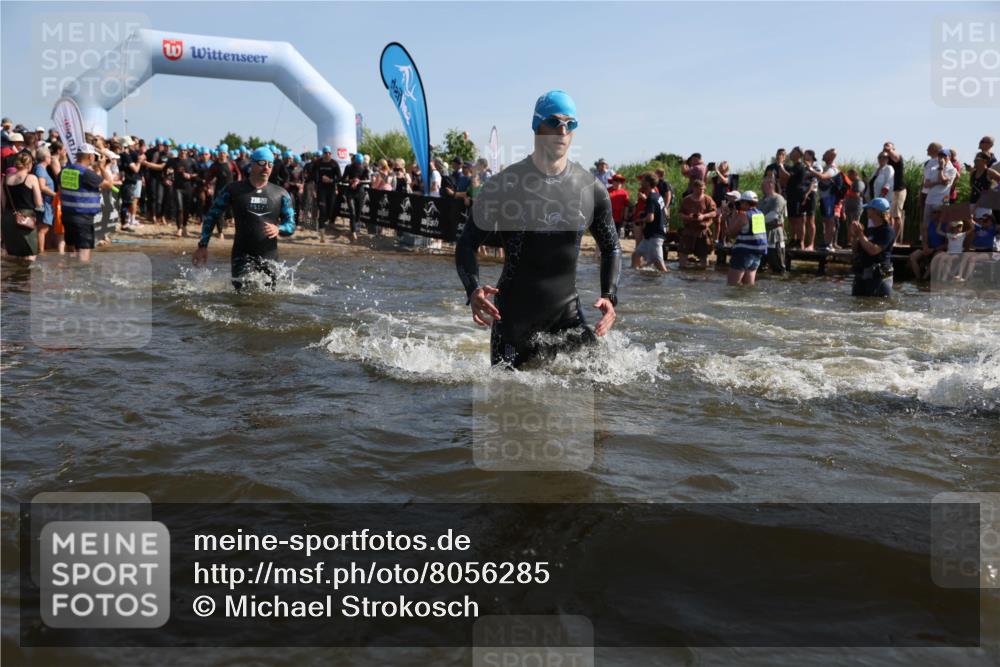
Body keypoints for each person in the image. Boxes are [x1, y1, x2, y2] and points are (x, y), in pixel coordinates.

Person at [456, 89, 621, 368]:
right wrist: (472, 289)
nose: (563, 131)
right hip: (513, 320)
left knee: (602, 383)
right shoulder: (504, 185)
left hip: (567, 315)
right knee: (507, 393)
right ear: (536, 125)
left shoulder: (590, 189)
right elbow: (467, 243)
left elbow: (612, 247)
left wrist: (609, 295)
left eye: (570, 124)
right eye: (554, 122)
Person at [192, 147, 295, 291]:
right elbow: (212, 215)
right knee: (241, 296)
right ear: (252, 164)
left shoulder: (281, 194)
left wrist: (279, 228)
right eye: (262, 163)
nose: (266, 167)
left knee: (269, 298)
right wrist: (203, 245)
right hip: (241, 255)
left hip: (269, 256)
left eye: (270, 164)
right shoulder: (233, 190)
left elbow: (291, 225)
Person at [58, 143, 116, 261]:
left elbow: (60, 188)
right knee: (84, 251)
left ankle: (69, 271)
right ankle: (82, 272)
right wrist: (102, 167)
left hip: (67, 215)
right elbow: (109, 185)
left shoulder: (64, 171)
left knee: (71, 248)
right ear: (90, 156)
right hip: (83, 218)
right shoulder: (86, 173)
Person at [849, 197, 896, 297]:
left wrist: (861, 234)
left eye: (869, 208)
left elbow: (873, 250)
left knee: (877, 304)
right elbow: (855, 250)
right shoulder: (869, 230)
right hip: (864, 275)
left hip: (879, 278)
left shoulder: (888, 231)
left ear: (876, 211)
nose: (867, 211)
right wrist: (855, 236)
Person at [1, 152, 43, 259]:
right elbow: (39, 203)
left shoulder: (4, 178)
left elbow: (3, 202)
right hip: (26, 219)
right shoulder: (32, 178)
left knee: (13, 255)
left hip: (8, 217)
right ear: (29, 165)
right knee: (30, 254)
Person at [726, 191, 767, 286]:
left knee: (732, 286)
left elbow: (730, 233)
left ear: (745, 203)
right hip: (756, 254)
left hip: (743, 254)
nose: (739, 204)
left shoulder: (743, 215)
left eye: (740, 202)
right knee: (748, 286)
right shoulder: (760, 214)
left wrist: (727, 217)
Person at [632, 172, 669, 273]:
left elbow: (650, 218)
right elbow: (659, 212)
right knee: (636, 254)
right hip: (651, 235)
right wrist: (644, 213)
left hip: (655, 235)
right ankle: (635, 275)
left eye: (643, 180)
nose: (641, 182)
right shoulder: (657, 195)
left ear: (647, 183)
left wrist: (640, 220)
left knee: (659, 263)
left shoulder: (651, 198)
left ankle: (666, 278)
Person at [677, 179, 716, 268]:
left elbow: (714, 213)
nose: (701, 191)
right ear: (694, 188)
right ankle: (682, 270)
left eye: (703, 189)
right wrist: (688, 217)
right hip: (688, 230)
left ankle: (703, 271)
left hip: (702, 231)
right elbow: (680, 213)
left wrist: (703, 216)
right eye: (699, 189)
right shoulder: (686, 200)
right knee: (683, 253)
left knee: (703, 255)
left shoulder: (708, 199)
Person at [783, 147, 811, 250]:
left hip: (797, 195)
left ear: (798, 154)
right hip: (791, 195)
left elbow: (787, 176)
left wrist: (781, 165)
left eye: (793, 152)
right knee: (792, 218)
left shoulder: (799, 166)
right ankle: (794, 239)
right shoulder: (793, 166)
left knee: (799, 219)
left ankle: (800, 241)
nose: (790, 153)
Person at [312, 146, 341, 242]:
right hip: (321, 190)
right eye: (325, 153)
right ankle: (322, 234)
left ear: (330, 154)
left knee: (330, 211)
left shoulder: (334, 163)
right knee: (322, 211)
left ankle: (325, 223)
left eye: (329, 153)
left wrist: (331, 180)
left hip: (331, 190)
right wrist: (320, 180)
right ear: (323, 154)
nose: (327, 155)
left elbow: (340, 177)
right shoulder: (318, 163)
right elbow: (314, 176)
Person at [759, 177, 787, 275]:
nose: (762, 186)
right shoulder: (762, 200)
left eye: (764, 184)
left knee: (778, 266)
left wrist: (755, 222)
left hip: (775, 235)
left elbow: (773, 215)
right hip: (762, 235)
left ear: (771, 185)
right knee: (760, 266)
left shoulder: (778, 199)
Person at [930, 218, 971, 283]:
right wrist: (940, 222)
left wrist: (970, 220)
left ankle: (946, 278)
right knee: (941, 259)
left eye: (960, 226)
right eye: (957, 226)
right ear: (953, 228)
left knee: (950, 259)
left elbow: (972, 228)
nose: (959, 228)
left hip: (957, 254)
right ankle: (939, 278)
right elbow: (937, 231)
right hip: (949, 253)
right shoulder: (949, 235)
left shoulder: (962, 235)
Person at [33, 146, 58, 252]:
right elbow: (42, 187)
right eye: (49, 156)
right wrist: (56, 195)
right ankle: (41, 252)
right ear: (45, 158)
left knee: (46, 228)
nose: (50, 158)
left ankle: (46, 249)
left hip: (47, 202)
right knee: (43, 228)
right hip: (44, 202)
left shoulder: (42, 169)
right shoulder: (40, 169)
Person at [341, 152, 370, 241]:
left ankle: (355, 229)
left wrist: (359, 181)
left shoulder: (365, 169)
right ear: (354, 161)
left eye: (360, 163)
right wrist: (351, 181)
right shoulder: (349, 167)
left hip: (360, 193)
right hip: (350, 192)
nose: (358, 165)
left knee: (358, 213)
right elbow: (343, 179)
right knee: (352, 212)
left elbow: (368, 181)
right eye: (357, 163)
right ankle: (353, 232)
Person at [882, 141, 907, 242]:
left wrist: (888, 150)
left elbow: (895, 157)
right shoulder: (886, 161)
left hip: (899, 190)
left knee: (897, 216)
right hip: (890, 191)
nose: (886, 147)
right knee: (889, 216)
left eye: (889, 146)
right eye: (885, 146)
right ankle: (889, 238)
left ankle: (894, 240)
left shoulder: (898, 157)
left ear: (893, 149)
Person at [608, 173, 630, 238]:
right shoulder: (607, 191)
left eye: (620, 181)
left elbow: (626, 207)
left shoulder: (625, 193)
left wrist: (625, 219)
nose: (618, 182)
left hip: (619, 219)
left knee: (615, 237)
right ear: (612, 182)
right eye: (616, 180)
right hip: (608, 218)